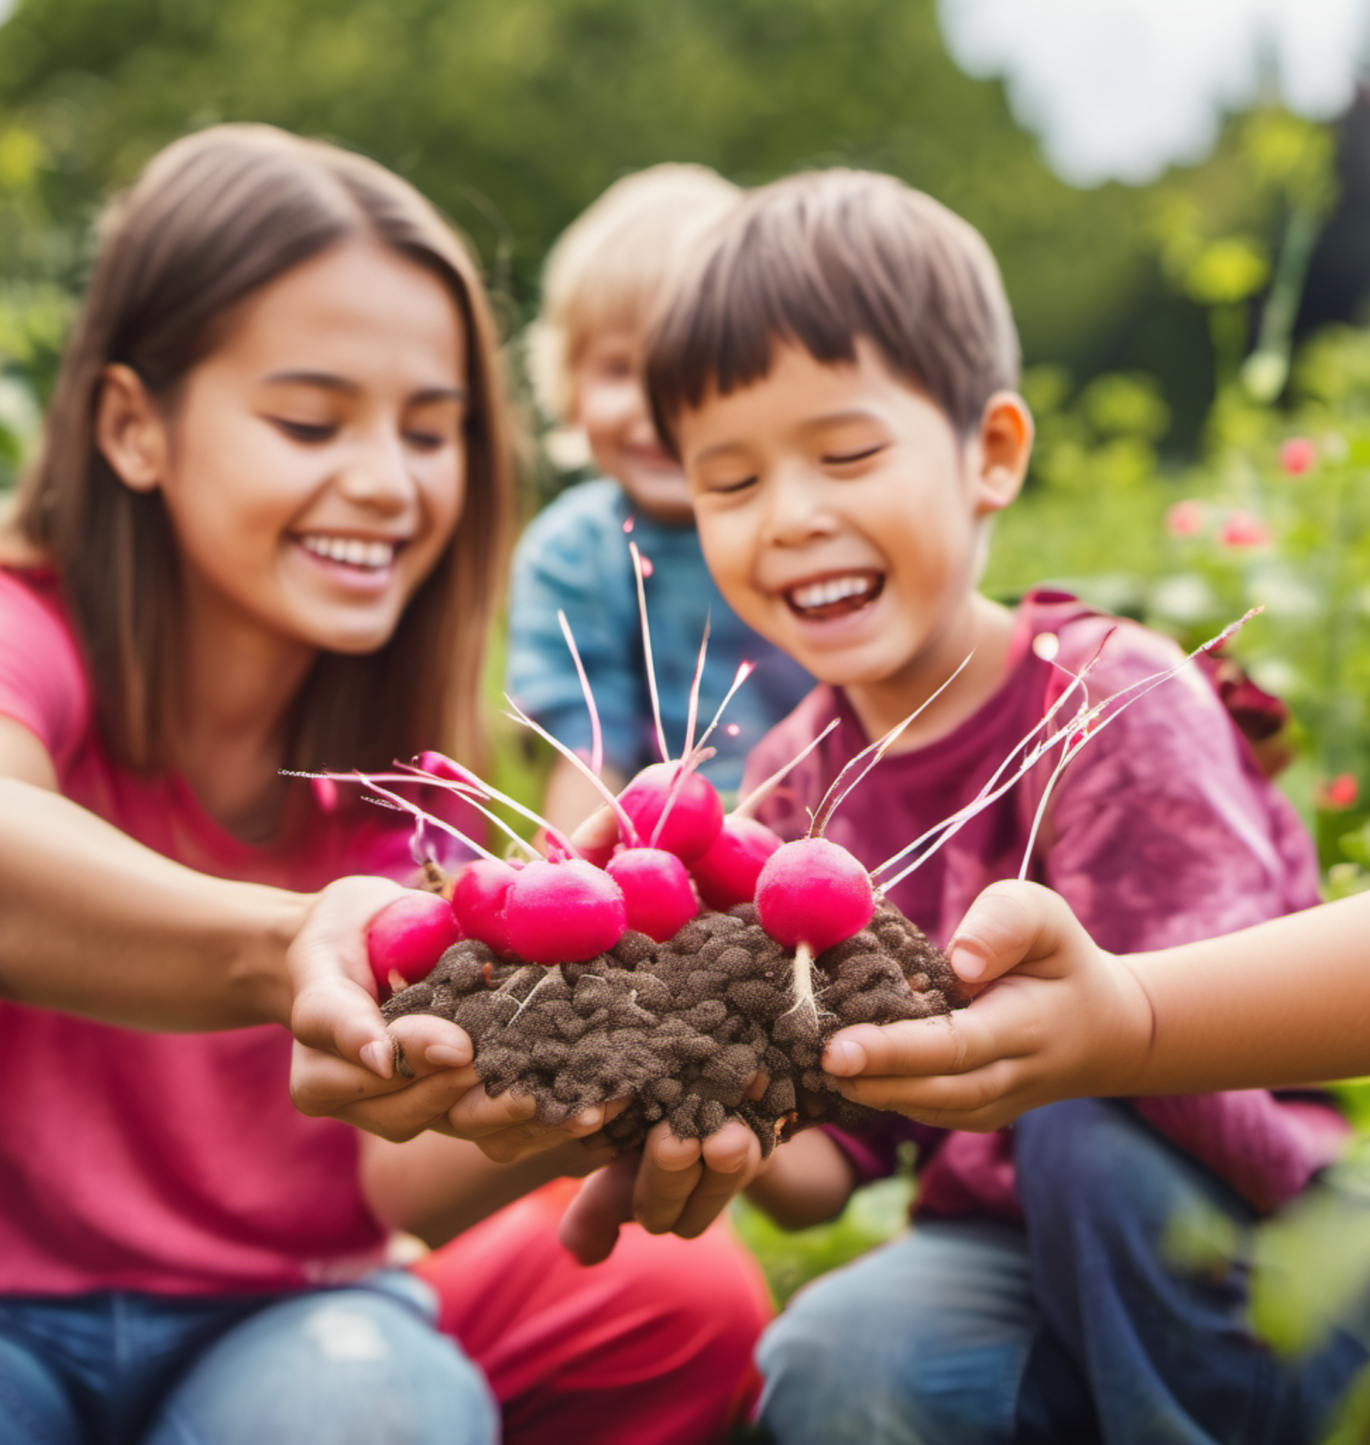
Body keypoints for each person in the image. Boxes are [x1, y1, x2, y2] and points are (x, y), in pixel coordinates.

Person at [0, 124, 770, 1445]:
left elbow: (389, 1176)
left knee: (553, 1340)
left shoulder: (401, 779)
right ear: (134, 427)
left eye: (431, 433)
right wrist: (285, 943)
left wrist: (633, 1054)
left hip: (281, 1315)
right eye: (310, 420)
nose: (385, 483)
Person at [636, 167, 1367, 1444]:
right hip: (1007, 1248)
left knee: (1077, 1128)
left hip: (1238, 1236)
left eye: (846, 453)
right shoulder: (791, 789)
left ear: (990, 453)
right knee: (830, 1358)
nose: (793, 516)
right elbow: (827, 1166)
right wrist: (685, 1083)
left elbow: (1197, 1061)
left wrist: (1057, 1044)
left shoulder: (1103, 699)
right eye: (729, 481)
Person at [507, 163, 812, 832]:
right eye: (620, 369)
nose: (657, 409)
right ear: (569, 378)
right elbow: (589, 754)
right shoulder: (574, 553)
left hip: (826, 836)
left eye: (690, 373)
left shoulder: (804, 526)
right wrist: (565, 883)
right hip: (658, 852)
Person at [820, 877, 1370, 1128]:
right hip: (982, 1216)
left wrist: (1136, 1016)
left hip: (1206, 1164)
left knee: (1069, 1134)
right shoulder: (796, 769)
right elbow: (829, 1171)